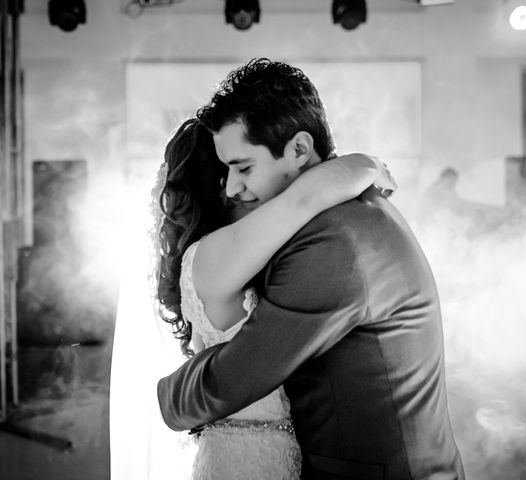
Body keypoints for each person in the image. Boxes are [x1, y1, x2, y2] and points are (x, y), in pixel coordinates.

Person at [158, 58, 465, 480]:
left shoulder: (332, 241)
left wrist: (165, 397)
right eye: (226, 170)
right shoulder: (342, 212)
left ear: (299, 150)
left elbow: (234, 378)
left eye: (244, 167)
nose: (233, 187)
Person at [154, 115, 394, 479]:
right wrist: (367, 163)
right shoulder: (214, 255)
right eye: (236, 169)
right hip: (243, 461)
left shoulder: (246, 253)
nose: (243, 185)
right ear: (216, 183)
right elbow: (303, 201)